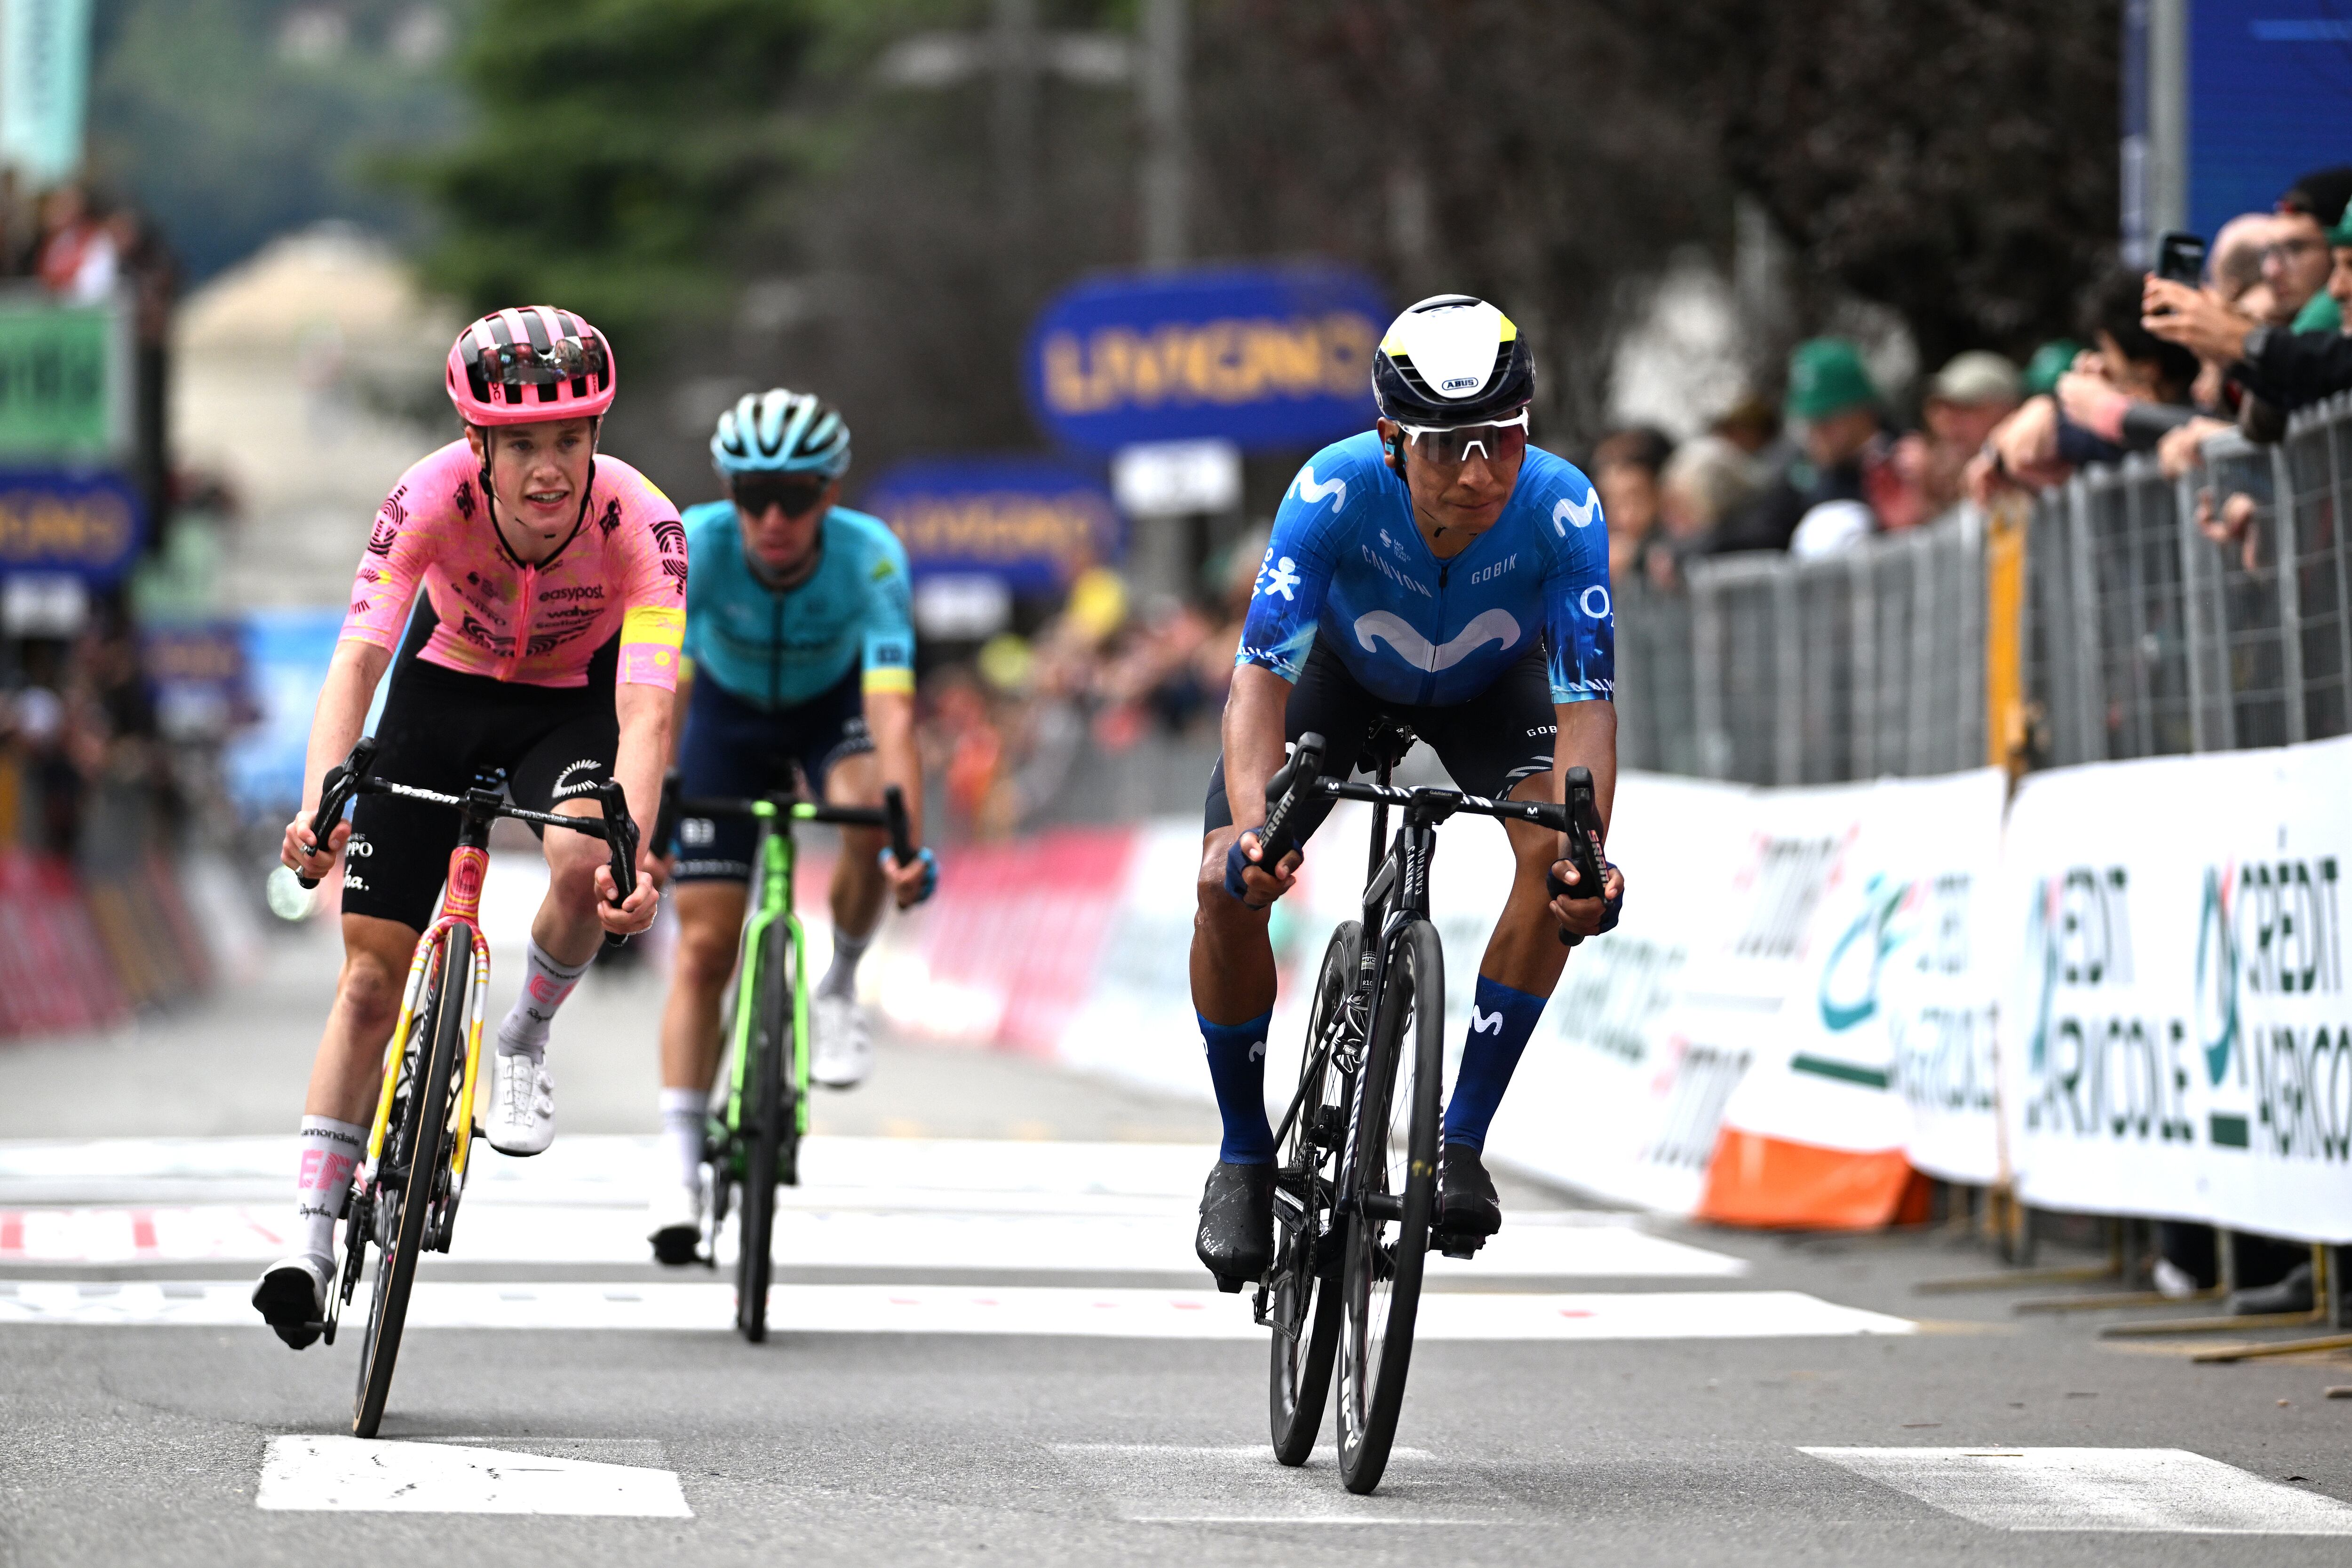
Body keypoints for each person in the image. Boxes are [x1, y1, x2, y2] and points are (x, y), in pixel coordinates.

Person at [254, 307, 679, 1346]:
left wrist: (630, 853)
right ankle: (308, 1241)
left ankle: (526, 1033)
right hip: (438, 694)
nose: (550, 470)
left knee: (580, 854)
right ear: (477, 446)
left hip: (567, 705)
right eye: (523, 444)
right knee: (367, 979)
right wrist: (320, 800)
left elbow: (647, 708)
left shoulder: (645, 521)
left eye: (572, 440)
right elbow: (358, 656)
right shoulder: (425, 496)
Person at [1190, 294, 1626, 1290]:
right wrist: (1258, 830)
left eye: (1501, 441)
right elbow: (1257, 682)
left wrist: (1586, 856)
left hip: (1489, 690)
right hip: (1336, 684)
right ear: (1392, 441)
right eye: (1448, 447)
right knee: (1224, 884)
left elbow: (1586, 714)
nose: (1480, 472)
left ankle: (1459, 1138)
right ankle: (1243, 1153)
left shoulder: (1563, 508)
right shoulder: (1329, 492)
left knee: (1552, 864)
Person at [648, 389, 936, 1261]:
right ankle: (678, 1166)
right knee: (703, 950)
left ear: (830, 495)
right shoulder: (694, 543)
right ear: (729, 491)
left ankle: (842, 981)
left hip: (829, 712)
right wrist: (653, 822)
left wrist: (907, 844)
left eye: (797, 497)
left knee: (863, 817)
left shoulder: (871, 557)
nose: (773, 518)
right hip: (725, 716)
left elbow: (893, 717)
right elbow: (666, 695)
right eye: (753, 495)